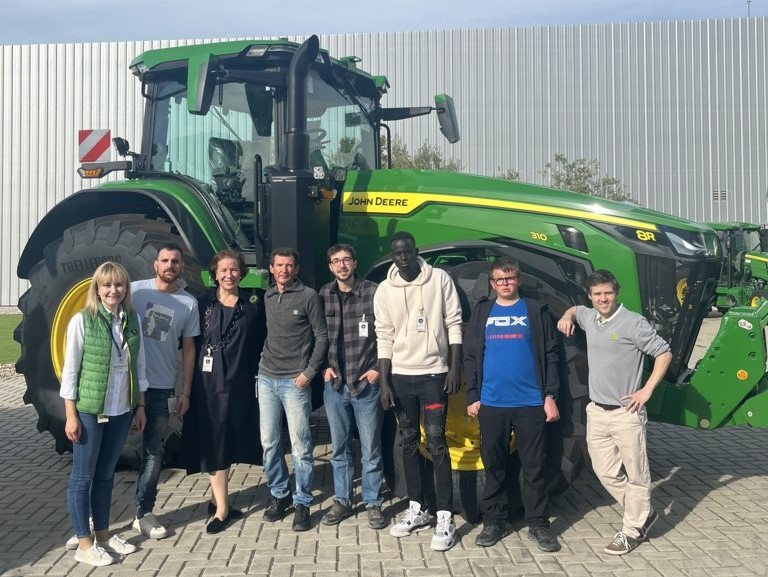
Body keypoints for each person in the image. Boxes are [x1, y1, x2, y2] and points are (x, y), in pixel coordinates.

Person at [557, 269, 672, 555]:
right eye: (597, 294)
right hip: (596, 411)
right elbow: (574, 310)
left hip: (626, 413)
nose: (603, 298)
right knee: (604, 471)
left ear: (616, 292)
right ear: (590, 296)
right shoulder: (589, 317)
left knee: (637, 475)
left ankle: (632, 529)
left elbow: (663, 353)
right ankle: (643, 513)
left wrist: (647, 390)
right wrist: (566, 317)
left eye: (607, 293)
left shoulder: (634, 323)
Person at [463, 257, 562, 552]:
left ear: (518, 280)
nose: (505, 283)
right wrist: (472, 395)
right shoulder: (483, 311)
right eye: (499, 280)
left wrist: (550, 396)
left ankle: (538, 524)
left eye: (510, 278)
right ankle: (494, 522)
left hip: (531, 402)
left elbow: (551, 355)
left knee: (534, 468)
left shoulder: (534, 310)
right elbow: (470, 355)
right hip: (492, 403)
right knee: (494, 466)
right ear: (492, 284)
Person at [373, 231, 463, 552]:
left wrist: (454, 368)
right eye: (397, 254)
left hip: (434, 375)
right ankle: (417, 508)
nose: (403, 258)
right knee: (409, 441)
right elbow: (384, 335)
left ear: (416, 251)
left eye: (408, 252)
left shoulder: (439, 279)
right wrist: (384, 382)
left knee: (437, 442)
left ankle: (444, 515)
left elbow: (453, 322)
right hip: (401, 377)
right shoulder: (384, 290)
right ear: (392, 256)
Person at [60, 261, 148, 567]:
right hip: (89, 410)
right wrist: (70, 415)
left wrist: (140, 406)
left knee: (106, 476)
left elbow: (140, 366)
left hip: (121, 409)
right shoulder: (82, 321)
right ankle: (84, 544)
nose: (114, 290)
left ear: (126, 288)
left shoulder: (132, 319)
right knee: (82, 477)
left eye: (120, 285)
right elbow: (70, 372)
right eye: (107, 285)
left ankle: (104, 536)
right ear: (97, 289)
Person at [181, 249, 266, 533]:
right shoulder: (201, 304)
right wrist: (184, 388)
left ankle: (219, 499)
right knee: (212, 441)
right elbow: (189, 347)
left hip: (238, 386)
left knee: (226, 441)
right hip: (206, 386)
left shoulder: (253, 307)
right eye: (223, 270)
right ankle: (221, 509)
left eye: (234, 270)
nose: (229, 275)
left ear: (241, 273)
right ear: (214, 274)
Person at [130, 243, 200, 539]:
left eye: (176, 261)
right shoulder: (133, 291)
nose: (170, 265)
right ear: (154, 265)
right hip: (123, 386)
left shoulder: (188, 304)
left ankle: (143, 513)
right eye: (165, 260)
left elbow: (188, 349)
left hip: (160, 388)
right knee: (103, 453)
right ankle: (95, 519)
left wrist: (184, 392)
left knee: (153, 452)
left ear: (182, 267)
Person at [258, 247, 328, 532]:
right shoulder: (268, 296)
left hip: (294, 382)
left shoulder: (309, 296)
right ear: (272, 269)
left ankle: (302, 502)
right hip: (266, 379)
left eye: (289, 266)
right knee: (270, 443)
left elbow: (321, 336)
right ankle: (280, 494)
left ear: (296, 269)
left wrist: (308, 373)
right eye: (279, 266)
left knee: (301, 447)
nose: (284, 270)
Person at [319, 244, 386, 530]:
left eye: (347, 260)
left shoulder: (374, 292)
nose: (342, 265)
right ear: (330, 267)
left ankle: (372, 502)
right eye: (336, 261)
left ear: (355, 262)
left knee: (371, 449)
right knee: (340, 448)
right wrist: (323, 367)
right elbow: (316, 335)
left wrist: (377, 371)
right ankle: (343, 500)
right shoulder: (323, 295)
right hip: (335, 385)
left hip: (365, 383)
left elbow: (388, 331)